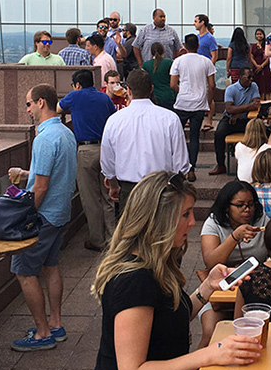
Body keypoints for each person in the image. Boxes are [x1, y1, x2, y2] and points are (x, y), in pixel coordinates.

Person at [89, 171, 261, 370]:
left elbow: (170, 316)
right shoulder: (134, 281)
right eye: (185, 214)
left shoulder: (157, 263)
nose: (193, 222)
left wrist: (207, 287)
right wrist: (209, 355)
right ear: (159, 220)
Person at [7, 84, 77, 351]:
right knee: (50, 267)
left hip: (44, 215)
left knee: (24, 272)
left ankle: (42, 332)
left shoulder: (44, 138)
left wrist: (26, 216)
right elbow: (54, 172)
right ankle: (55, 324)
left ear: (41, 103)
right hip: (61, 211)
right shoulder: (65, 133)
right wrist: (28, 174)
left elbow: (41, 187)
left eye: (28, 104)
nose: (27, 110)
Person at [101, 69, 191, 210]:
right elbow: (181, 164)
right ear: (151, 89)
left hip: (130, 189)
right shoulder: (170, 118)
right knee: (160, 231)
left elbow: (107, 162)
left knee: (132, 231)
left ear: (128, 90)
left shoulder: (114, 120)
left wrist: (113, 185)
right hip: (161, 189)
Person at [200, 181, 270, 347]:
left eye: (251, 204)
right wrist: (234, 237)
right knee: (211, 332)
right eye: (240, 205)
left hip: (254, 290)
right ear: (226, 207)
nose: (247, 210)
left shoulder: (261, 221)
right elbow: (211, 262)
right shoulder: (213, 224)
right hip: (220, 291)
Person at [57, 70, 117, 252]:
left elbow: (58, 108)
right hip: (106, 150)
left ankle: (97, 240)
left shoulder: (75, 96)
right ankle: (113, 238)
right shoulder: (104, 98)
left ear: (77, 84)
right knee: (108, 196)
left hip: (85, 150)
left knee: (91, 198)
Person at [170, 33, 216, 182]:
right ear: (198, 46)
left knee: (178, 137)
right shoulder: (206, 61)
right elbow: (212, 85)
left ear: (184, 45)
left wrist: (182, 91)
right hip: (199, 104)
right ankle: (191, 169)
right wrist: (208, 100)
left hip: (182, 103)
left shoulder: (178, 61)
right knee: (194, 137)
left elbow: (172, 84)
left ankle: (177, 168)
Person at [210, 66, 261, 176]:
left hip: (245, 119)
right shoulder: (231, 89)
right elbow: (229, 109)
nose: (251, 80)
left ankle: (259, 162)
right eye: (248, 77)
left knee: (262, 131)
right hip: (230, 119)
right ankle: (220, 164)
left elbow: (256, 104)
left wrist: (238, 112)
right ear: (241, 77)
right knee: (219, 134)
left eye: (252, 77)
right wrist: (247, 107)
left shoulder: (254, 86)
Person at [194, 14, 220, 130]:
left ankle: (209, 120)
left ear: (202, 22)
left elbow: (214, 56)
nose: (194, 23)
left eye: (196, 21)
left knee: (209, 95)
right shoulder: (197, 37)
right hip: (196, 69)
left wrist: (208, 69)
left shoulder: (210, 38)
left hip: (205, 70)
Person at [235, 118, 271, 183]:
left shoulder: (239, 146)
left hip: (242, 182)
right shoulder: (268, 149)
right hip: (260, 182)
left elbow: (238, 161)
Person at [142, 41, 176, 110]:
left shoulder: (146, 65)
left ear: (151, 52)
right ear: (163, 51)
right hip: (168, 96)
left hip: (152, 98)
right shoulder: (169, 63)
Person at [250, 28, 271, 98]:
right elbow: (251, 56)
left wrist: (262, 66)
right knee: (258, 86)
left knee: (266, 87)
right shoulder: (253, 46)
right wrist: (256, 65)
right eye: (257, 34)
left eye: (260, 34)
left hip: (265, 68)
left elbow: (269, 57)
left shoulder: (266, 45)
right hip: (256, 69)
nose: (259, 36)